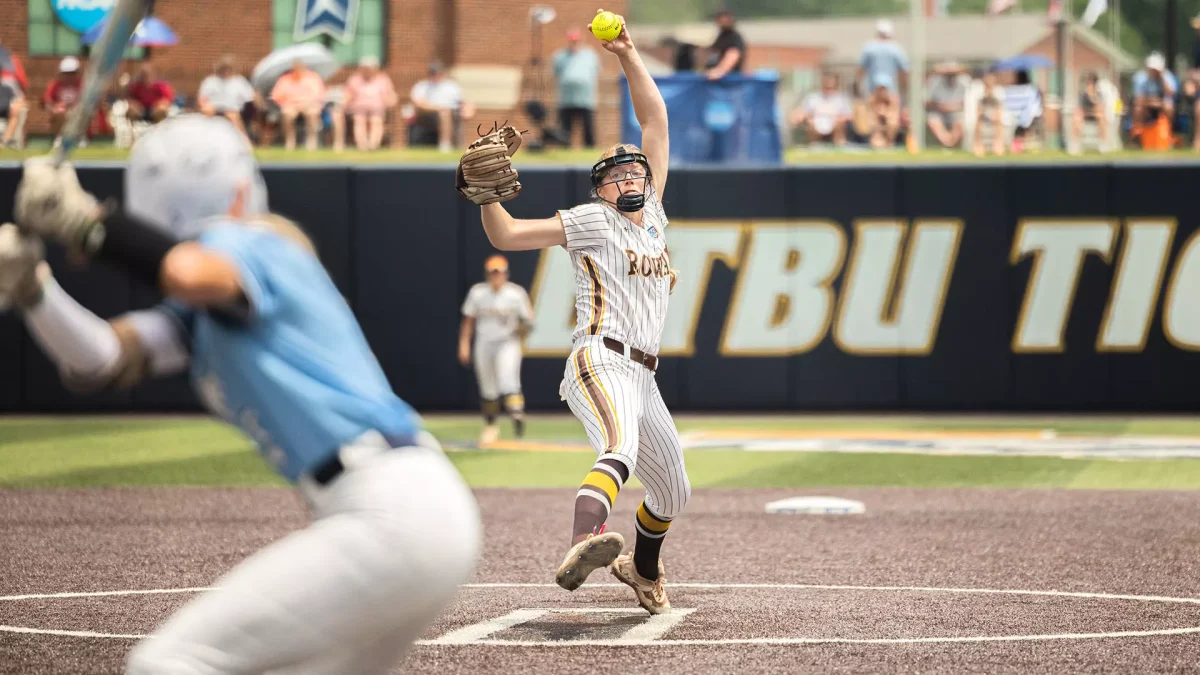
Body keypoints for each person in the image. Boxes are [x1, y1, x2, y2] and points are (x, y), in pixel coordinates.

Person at [1, 114, 480, 674]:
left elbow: (192, 274)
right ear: (240, 185)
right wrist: (34, 291)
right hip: (413, 507)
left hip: (390, 507)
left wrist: (85, 225)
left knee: (170, 662)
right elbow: (102, 360)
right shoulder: (211, 298)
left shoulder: (251, 243)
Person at [458, 15, 689, 616]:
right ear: (600, 190)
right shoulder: (593, 220)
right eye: (615, 175)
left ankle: (641, 567)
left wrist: (629, 53)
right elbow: (507, 235)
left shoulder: (655, 217)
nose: (630, 175)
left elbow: (656, 122)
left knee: (672, 489)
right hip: (601, 355)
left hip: (644, 374)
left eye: (635, 169)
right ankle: (581, 544)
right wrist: (487, 198)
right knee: (619, 446)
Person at [458, 254, 534, 446]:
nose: (496, 276)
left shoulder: (516, 294)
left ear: (506, 273)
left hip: (508, 342)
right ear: (487, 274)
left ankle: (516, 413)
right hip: (484, 342)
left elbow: (528, 320)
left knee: (508, 380)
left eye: (499, 272)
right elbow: (468, 321)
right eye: (493, 273)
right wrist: (464, 345)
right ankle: (491, 427)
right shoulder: (478, 293)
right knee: (487, 385)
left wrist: (522, 329)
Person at [856, 19, 908, 141]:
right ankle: (888, 142)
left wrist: (857, 87)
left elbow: (860, 70)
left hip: (873, 89)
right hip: (891, 90)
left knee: (873, 118)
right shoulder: (896, 49)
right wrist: (904, 90)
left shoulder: (869, 48)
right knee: (892, 117)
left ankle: (877, 140)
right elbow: (904, 72)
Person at [409, 61, 475, 152]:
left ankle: (460, 146)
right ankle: (445, 145)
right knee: (445, 113)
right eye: (434, 73)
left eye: (438, 73)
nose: (436, 75)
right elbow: (419, 105)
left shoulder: (452, 86)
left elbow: (463, 102)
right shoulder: (422, 86)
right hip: (429, 114)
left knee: (455, 113)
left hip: (453, 111)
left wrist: (468, 109)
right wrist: (439, 108)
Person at [553, 28, 600, 148]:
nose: (574, 44)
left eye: (576, 41)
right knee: (565, 128)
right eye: (572, 41)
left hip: (586, 99)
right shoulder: (560, 56)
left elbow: (595, 72)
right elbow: (557, 73)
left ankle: (589, 148)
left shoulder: (590, 55)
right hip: (566, 99)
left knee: (588, 127)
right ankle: (564, 147)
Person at [343, 55, 397, 151]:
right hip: (358, 107)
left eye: (370, 68)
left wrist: (391, 101)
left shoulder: (383, 79)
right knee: (359, 120)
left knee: (376, 121)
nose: (368, 71)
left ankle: (373, 144)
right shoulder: (355, 80)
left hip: (377, 107)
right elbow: (348, 94)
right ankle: (362, 145)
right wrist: (344, 104)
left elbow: (390, 94)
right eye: (366, 68)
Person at [271, 59, 327, 151]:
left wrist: (306, 103)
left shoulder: (313, 78)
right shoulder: (285, 79)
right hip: (291, 105)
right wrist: (290, 103)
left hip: (309, 104)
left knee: (313, 113)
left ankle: (311, 142)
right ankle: (290, 141)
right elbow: (276, 95)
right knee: (287, 113)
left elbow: (319, 94)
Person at [197, 55, 257, 137]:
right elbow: (202, 99)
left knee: (232, 115)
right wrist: (205, 106)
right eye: (224, 69)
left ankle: (242, 140)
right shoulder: (210, 81)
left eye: (228, 69)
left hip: (233, 110)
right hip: (213, 108)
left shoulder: (239, 81)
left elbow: (250, 98)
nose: (226, 71)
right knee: (208, 111)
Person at [789, 71, 851, 146]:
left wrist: (838, 119)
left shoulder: (841, 99)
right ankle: (814, 145)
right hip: (816, 124)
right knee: (810, 123)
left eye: (831, 87)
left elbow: (849, 116)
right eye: (826, 86)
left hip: (835, 124)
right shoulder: (813, 98)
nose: (829, 89)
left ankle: (839, 145)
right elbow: (803, 112)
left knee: (839, 124)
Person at [42, 57, 83, 143]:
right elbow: (47, 101)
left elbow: (87, 102)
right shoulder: (55, 85)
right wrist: (53, 109)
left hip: (77, 112)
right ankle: (60, 137)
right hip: (61, 113)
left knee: (81, 113)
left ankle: (80, 138)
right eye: (66, 73)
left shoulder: (82, 85)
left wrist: (71, 107)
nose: (69, 76)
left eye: (72, 73)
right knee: (59, 112)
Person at [1072, 71, 1109, 153]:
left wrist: (1093, 97)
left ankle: (1103, 144)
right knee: (1076, 119)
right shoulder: (1082, 94)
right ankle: (1075, 145)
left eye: (1092, 82)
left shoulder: (1099, 94)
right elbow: (1080, 108)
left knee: (1102, 118)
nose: (1090, 84)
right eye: (1088, 82)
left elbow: (1100, 107)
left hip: (1096, 115)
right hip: (1085, 114)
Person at [705, 9, 746, 80]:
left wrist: (719, 71)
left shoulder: (734, 37)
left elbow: (733, 54)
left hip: (730, 81)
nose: (723, 22)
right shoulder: (720, 37)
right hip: (717, 80)